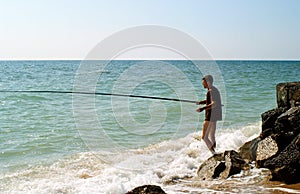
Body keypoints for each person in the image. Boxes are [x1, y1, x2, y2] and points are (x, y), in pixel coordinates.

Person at [196, 75, 222, 154]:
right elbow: (211, 101)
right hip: (214, 116)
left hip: (210, 116)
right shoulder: (214, 89)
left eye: (204, 83)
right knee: (212, 135)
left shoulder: (210, 91)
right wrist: (202, 102)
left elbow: (213, 103)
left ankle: (214, 153)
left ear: (208, 82)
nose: (203, 84)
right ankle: (215, 152)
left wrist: (202, 108)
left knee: (204, 137)